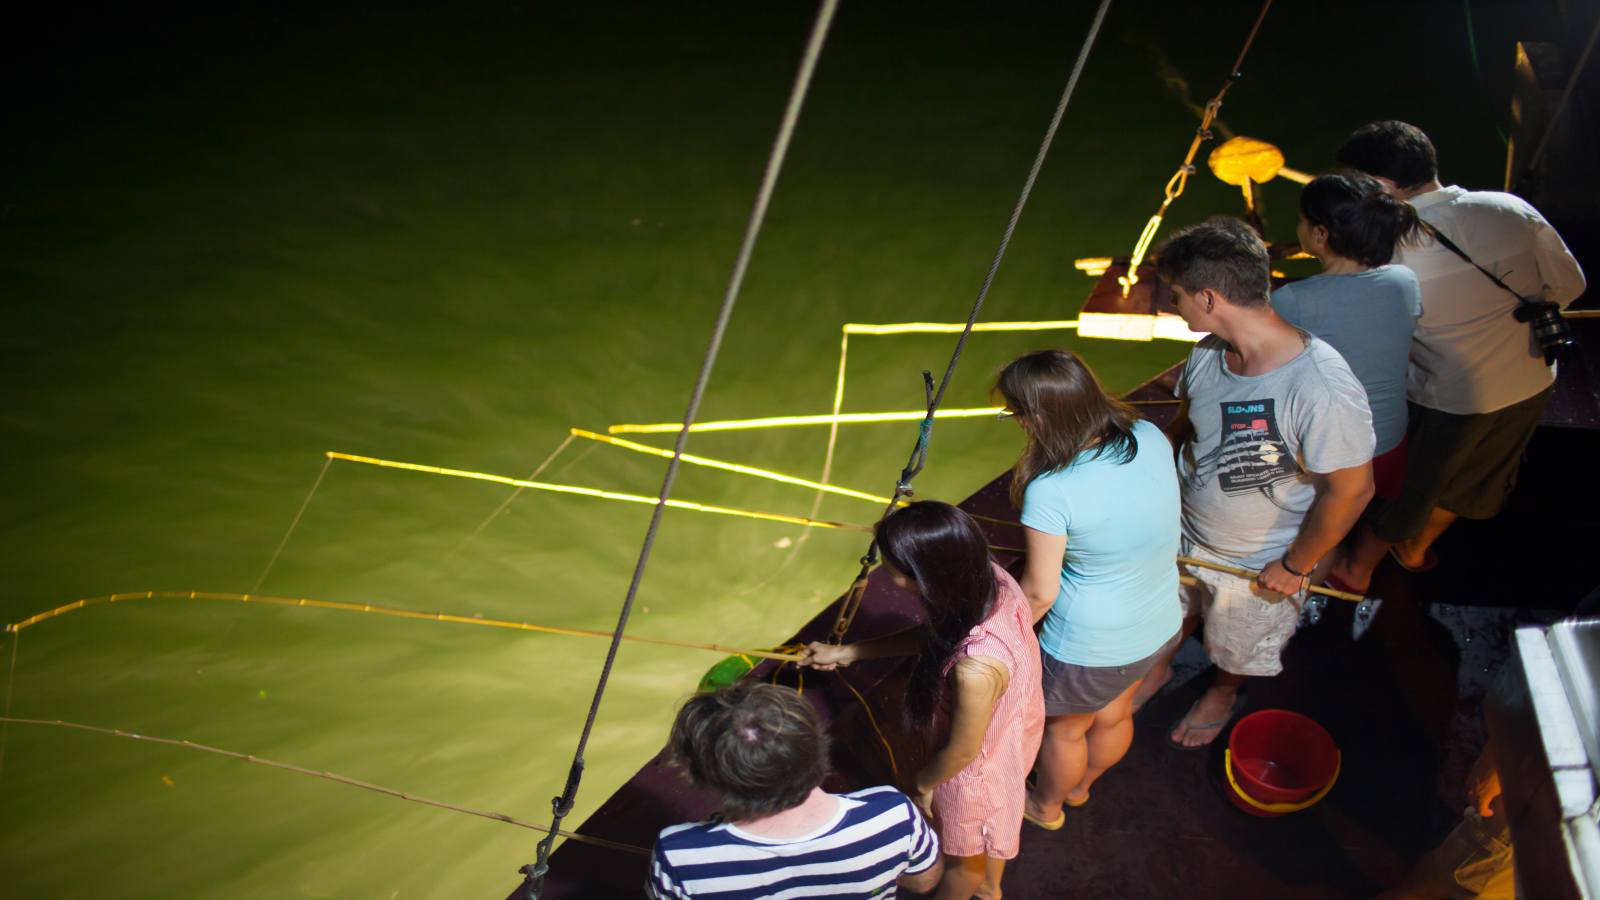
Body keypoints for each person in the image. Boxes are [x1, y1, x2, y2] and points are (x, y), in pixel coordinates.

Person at [1129, 216, 1376, 748]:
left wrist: (1295, 564)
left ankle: (1223, 690)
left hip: (1259, 559)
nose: (1172, 303)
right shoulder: (1206, 354)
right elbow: (1188, 426)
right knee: (1166, 615)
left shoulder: (1320, 387)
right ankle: (1157, 668)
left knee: (1238, 645)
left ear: (1209, 297)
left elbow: (1353, 490)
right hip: (1183, 535)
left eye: (1176, 294)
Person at [1327, 121, 1586, 590]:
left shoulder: (1389, 250)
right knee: (1480, 478)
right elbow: (1569, 287)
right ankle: (1415, 548)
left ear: (1383, 185)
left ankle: (1356, 569)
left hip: (1448, 396)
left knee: (1413, 487)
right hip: (1531, 378)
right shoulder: (1509, 208)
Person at [802, 501, 1044, 900]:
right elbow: (941, 636)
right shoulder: (990, 579)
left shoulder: (977, 666)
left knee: (962, 865)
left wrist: (923, 785)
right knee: (990, 830)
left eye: (891, 568)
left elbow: (964, 751)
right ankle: (991, 887)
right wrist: (847, 653)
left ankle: (980, 883)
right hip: (1013, 727)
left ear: (924, 575)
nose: (887, 574)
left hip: (973, 771)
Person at [991, 349, 1182, 828]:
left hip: (1088, 645)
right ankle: (1080, 788)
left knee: (1065, 731)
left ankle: (1047, 806)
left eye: (1014, 412)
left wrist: (988, 639)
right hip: (1158, 619)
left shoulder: (1052, 490)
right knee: (1115, 713)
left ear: (1037, 417)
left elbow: (1039, 592)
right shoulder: (1147, 434)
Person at [646, 680, 942, 899]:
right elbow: (924, 881)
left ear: (703, 777)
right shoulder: (892, 814)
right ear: (817, 742)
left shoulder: (680, 856)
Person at [1272, 171, 1422, 514]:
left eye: (1301, 221)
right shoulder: (1404, 281)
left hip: (1332, 457)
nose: (1299, 227)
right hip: (1391, 441)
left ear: (1320, 234)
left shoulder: (1293, 300)